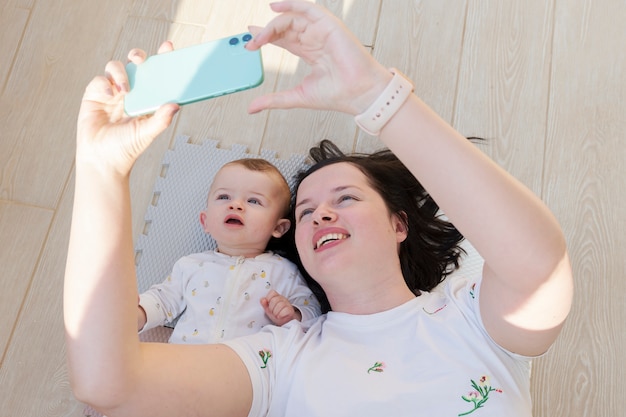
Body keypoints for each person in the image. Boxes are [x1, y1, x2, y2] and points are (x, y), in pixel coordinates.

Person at [64, 1, 573, 416]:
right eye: (305, 212)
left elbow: (538, 268)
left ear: (399, 225)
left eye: (345, 199)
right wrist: (101, 169)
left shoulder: (469, 317)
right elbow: (108, 384)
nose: (320, 216)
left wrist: (379, 95)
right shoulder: (278, 358)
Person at [137, 158, 321, 344]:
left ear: (279, 228)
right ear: (205, 221)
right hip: (185, 360)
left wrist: (293, 314)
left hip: (247, 366)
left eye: (253, 201)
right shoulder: (191, 265)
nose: (236, 205)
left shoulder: (284, 271)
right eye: (224, 197)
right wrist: (138, 313)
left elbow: (313, 310)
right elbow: (162, 299)